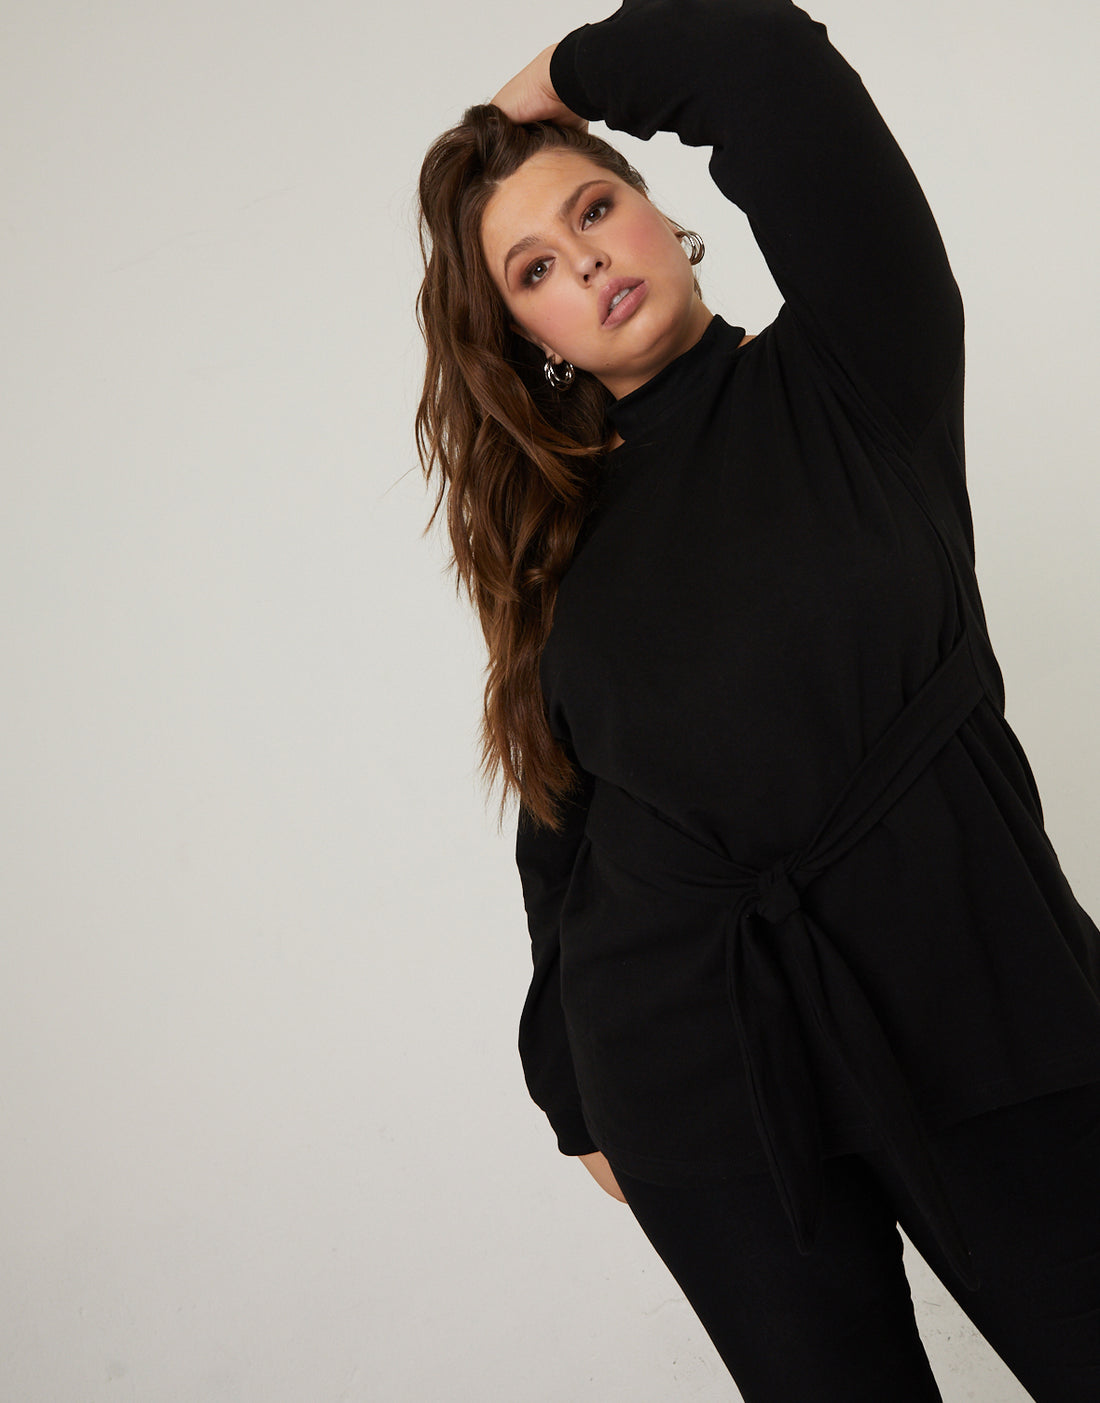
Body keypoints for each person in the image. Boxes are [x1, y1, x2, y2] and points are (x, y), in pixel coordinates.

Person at [415, 1, 1100, 1398]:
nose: (583, 258)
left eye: (594, 209)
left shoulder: (859, 364)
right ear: (532, 337)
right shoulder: (555, 542)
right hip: (693, 1066)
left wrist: (550, 84)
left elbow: (761, 56)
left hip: (976, 979)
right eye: (534, 269)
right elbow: (564, 825)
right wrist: (571, 1077)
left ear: (667, 216)